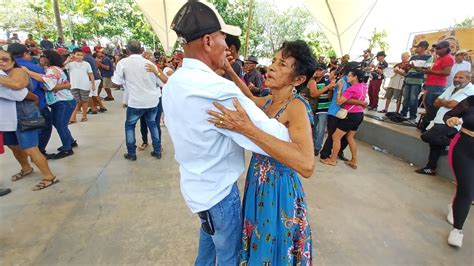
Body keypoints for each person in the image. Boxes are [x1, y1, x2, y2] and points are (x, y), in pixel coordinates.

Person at [164, 2, 313, 264]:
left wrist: (246, 125)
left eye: (282, 64)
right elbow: (251, 102)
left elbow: (306, 162)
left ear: (298, 79)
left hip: (262, 190)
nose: (271, 67)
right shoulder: (232, 92)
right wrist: (231, 76)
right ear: (209, 41)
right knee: (232, 256)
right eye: (224, 37)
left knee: (231, 252)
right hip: (233, 190)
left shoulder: (176, 81)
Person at [0, 49, 58, 190]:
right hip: (8, 118)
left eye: (5, 59)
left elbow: (18, 86)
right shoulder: (5, 74)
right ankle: (26, 168)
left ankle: (49, 176)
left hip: (24, 115)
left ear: (13, 61)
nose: (1, 62)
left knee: (30, 148)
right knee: (13, 145)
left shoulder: (18, 72)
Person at [415, 71, 473, 176]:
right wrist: (449, 103)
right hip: (439, 120)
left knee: (427, 137)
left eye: (461, 77)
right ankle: (430, 168)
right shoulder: (452, 87)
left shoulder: (471, 91)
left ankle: (451, 143)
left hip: (453, 124)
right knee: (435, 144)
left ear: (469, 79)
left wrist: (445, 102)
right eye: (455, 77)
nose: (457, 79)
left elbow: (454, 105)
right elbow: (436, 102)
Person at [112, 40, 162, 161]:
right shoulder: (150, 64)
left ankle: (131, 153)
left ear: (127, 50)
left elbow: (115, 83)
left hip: (136, 102)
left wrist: (126, 81)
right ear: (141, 50)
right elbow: (160, 83)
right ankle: (157, 150)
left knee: (130, 126)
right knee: (153, 124)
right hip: (152, 101)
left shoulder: (123, 63)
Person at [23, 50, 77, 160]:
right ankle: (70, 142)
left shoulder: (53, 69)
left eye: (43, 56)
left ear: (49, 58)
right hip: (61, 102)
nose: (40, 58)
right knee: (60, 124)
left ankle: (67, 149)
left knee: (60, 125)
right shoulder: (51, 69)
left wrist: (28, 72)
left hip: (63, 102)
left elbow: (47, 83)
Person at [7, 43, 53, 156]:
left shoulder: (6, 69)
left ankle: (27, 158)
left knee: (19, 134)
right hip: (35, 104)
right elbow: (44, 85)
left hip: (10, 108)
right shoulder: (33, 67)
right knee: (44, 127)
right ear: (25, 54)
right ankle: (38, 152)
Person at [321, 67, 367, 168]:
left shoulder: (352, 88)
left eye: (350, 75)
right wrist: (360, 102)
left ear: (355, 77)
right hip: (359, 114)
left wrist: (340, 90)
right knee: (350, 137)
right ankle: (354, 160)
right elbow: (358, 100)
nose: (347, 77)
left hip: (350, 115)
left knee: (335, 136)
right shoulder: (363, 86)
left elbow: (339, 101)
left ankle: (333, 159)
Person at [443, 94, 474, 248]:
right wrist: (451, 120)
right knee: (467, 190)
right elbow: (449, 115)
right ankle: (457, 230)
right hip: (464, 148)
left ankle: (454, 207)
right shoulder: (471, 101)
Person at [421, 40, 455, 131]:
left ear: (446, 48)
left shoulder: (448, 58)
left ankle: (429, 126)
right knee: (428, 105)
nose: (436, 50)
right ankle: (428, 124)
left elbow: (446, 72)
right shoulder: (439, 58)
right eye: (436, 48)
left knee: (432, 107)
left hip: (437, 86)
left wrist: (430, 71)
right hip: (431, 84)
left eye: (439, 48)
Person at [400, 41, 432, 122]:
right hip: (408, 79)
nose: (416, 48)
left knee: (413, 99)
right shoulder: (413, 57)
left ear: (423, 48)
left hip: (417, 81)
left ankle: (412, 116)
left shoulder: (428, 57)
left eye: (418, 47)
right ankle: (403, 114)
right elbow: (408, 69)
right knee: (406, 98)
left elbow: (426, 70)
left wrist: (414, 67)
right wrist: (405, 67)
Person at [64, 48, 95, 123]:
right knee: (75, 102)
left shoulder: (86, 64)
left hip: (85, 85)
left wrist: (93, 84)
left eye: (81, 55)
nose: (79, 56)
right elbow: (62, 67)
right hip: (74, 85)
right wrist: (68, 60)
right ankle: (73, 118)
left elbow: (91, 74)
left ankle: (84, 116)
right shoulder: (70, 64)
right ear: (73, 55)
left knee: (84, 101)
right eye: (78, 55)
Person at [82, 46, 106, 114]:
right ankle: (102, 107)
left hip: (92, 78)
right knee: (94, 94)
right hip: (97, 78)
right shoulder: (91, 57)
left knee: (89, 95)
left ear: (83, 52)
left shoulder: (86, 58)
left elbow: (86, 70)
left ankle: (93, 109)